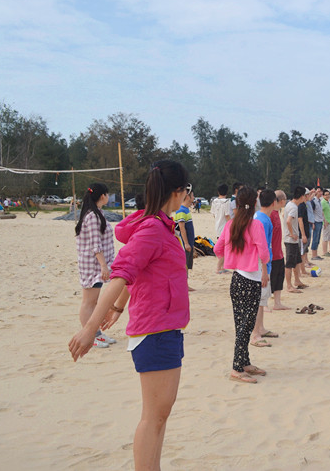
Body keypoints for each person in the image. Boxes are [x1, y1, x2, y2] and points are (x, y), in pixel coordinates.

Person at [68, 160, 190, 471]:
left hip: (165, 328)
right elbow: (121, 274)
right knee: (154, 416)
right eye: (187, 190)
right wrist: (90, 329)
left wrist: (119, 308)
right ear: (177, 191)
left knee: (160, 415)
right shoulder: (152, 229)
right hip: (156, 331)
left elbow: (139, 274)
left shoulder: (160, 225)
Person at [214, 185, 270, 384]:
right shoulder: (255, 225)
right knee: (245, 326)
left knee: (242, 324)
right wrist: (263, 267)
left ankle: (244, 362)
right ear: (254, 203)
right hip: (250, 280)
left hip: (237, 279)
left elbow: (217, 249)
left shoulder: (231, 225)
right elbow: (264, 253)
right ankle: (237, 368)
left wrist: (234, 257)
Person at [74, 182, 117, 348]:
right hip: (92, 265)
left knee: (94, 302)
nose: (108, 197)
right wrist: (103, 266)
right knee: (89, 302)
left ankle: (96, 334)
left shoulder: (98, 213)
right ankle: (90, 335)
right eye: (107, 194)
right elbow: (95, 244)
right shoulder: (92, 216)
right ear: (102, 196)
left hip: (97, 265)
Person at [251, 189, 277, 347]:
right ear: (274, 203)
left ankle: (260, 328)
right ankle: (256, 332)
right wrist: (265, 270)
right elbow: (263, 247)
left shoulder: (258, 216)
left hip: (261, 264)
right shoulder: (264, 221)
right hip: (262, 265)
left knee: (262, 299)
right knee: (260, 299)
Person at [283, 186, 309, 294]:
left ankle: (297, 281)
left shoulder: (289, 204)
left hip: (292, 239)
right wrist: (292, 233)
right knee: (289, 263)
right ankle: (289, 286)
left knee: (297, 261)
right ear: (302, 196)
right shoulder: (293, 207)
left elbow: (284, 217)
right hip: (290, 240)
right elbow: (288, 221)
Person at [270, 190, 290, 310]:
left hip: (279, 252)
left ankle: (277, 303)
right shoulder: (271, 214)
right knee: (271, 278)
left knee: (279, 277)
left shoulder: (277, 212)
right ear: (282, 201)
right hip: (272, 253)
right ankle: (265, 304)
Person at [174, 188, 195, 290]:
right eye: (192, 195)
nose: (194, 197)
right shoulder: (181, 210)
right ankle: (183, 285)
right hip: (184, 244)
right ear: (187, 197)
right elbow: (182, 228)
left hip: (189, 242)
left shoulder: (186, 210)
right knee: (184, 264)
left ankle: (185, 284)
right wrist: (186, 243)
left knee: (187, 264)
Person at [211, 184, 231, 274]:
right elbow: (227, 215)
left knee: (221, 247)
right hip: (225, 227)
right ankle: (219, 268)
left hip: (217, 226)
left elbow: (213, 214)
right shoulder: (227, 202)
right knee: (224, 248)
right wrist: (232, 224)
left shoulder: (214, 201)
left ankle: (222, 267)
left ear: (218, 192)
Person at [310, 187, 324, 260]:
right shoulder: (313, 201)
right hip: (316, 221)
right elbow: (311, 212)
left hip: (320, 221)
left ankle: (316, 254)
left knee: (318, 238)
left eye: (321, 191)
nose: (320, 193)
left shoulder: (319, 201)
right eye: (319, 191)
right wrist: (312, 223)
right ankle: (313, 255)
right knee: (315, 238)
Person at [321, 189, 330, 257]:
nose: (327, 196)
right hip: (325, 222)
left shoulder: (327, 202)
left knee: (327, 237)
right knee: (325, 237)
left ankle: (326, 251)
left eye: (328, 194)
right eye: (326, 195)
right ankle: (324, 252)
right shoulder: (323, 202)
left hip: (329, 221)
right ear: (323, 196)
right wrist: (324, 221)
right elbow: (321, 212)